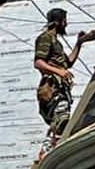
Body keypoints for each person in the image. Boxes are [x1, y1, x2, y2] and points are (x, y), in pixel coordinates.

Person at [33, 8, 77, 144]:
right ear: (58, 22)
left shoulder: (56, 42)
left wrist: (79, 44)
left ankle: (50, 143)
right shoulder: (46, 38)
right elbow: (39, 63)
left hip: (61, 88)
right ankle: (49, 144)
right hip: (52, 87)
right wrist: (59, 72)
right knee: (61, 119)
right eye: (64, 21)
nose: (66, 25)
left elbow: (67, 63)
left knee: (62, 120)